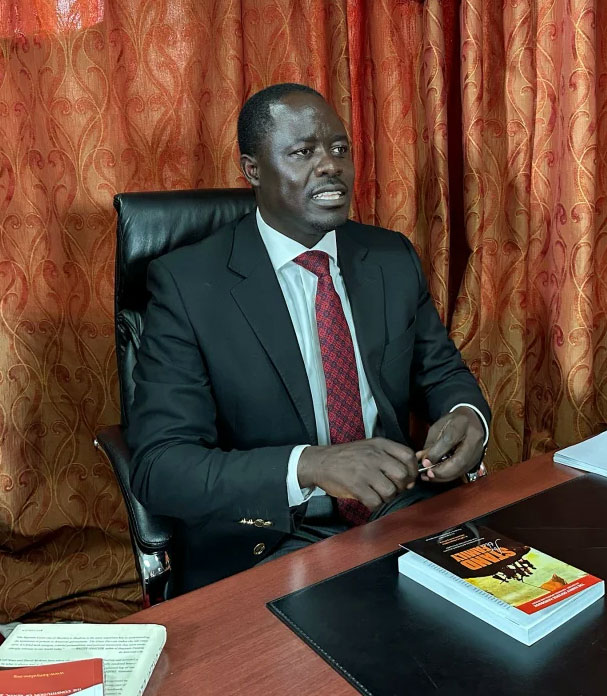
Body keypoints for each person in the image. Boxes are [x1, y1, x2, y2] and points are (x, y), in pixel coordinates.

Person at [127, 83, 491, 593]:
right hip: (272, 538)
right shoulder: (189, 286)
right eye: (303, 152)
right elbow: (161, 466)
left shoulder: (390, 259)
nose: (330, 166)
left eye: (339, 149)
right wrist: (313, 465)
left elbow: (444, 372)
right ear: (252, 170)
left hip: (401, 514)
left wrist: (468, 417)